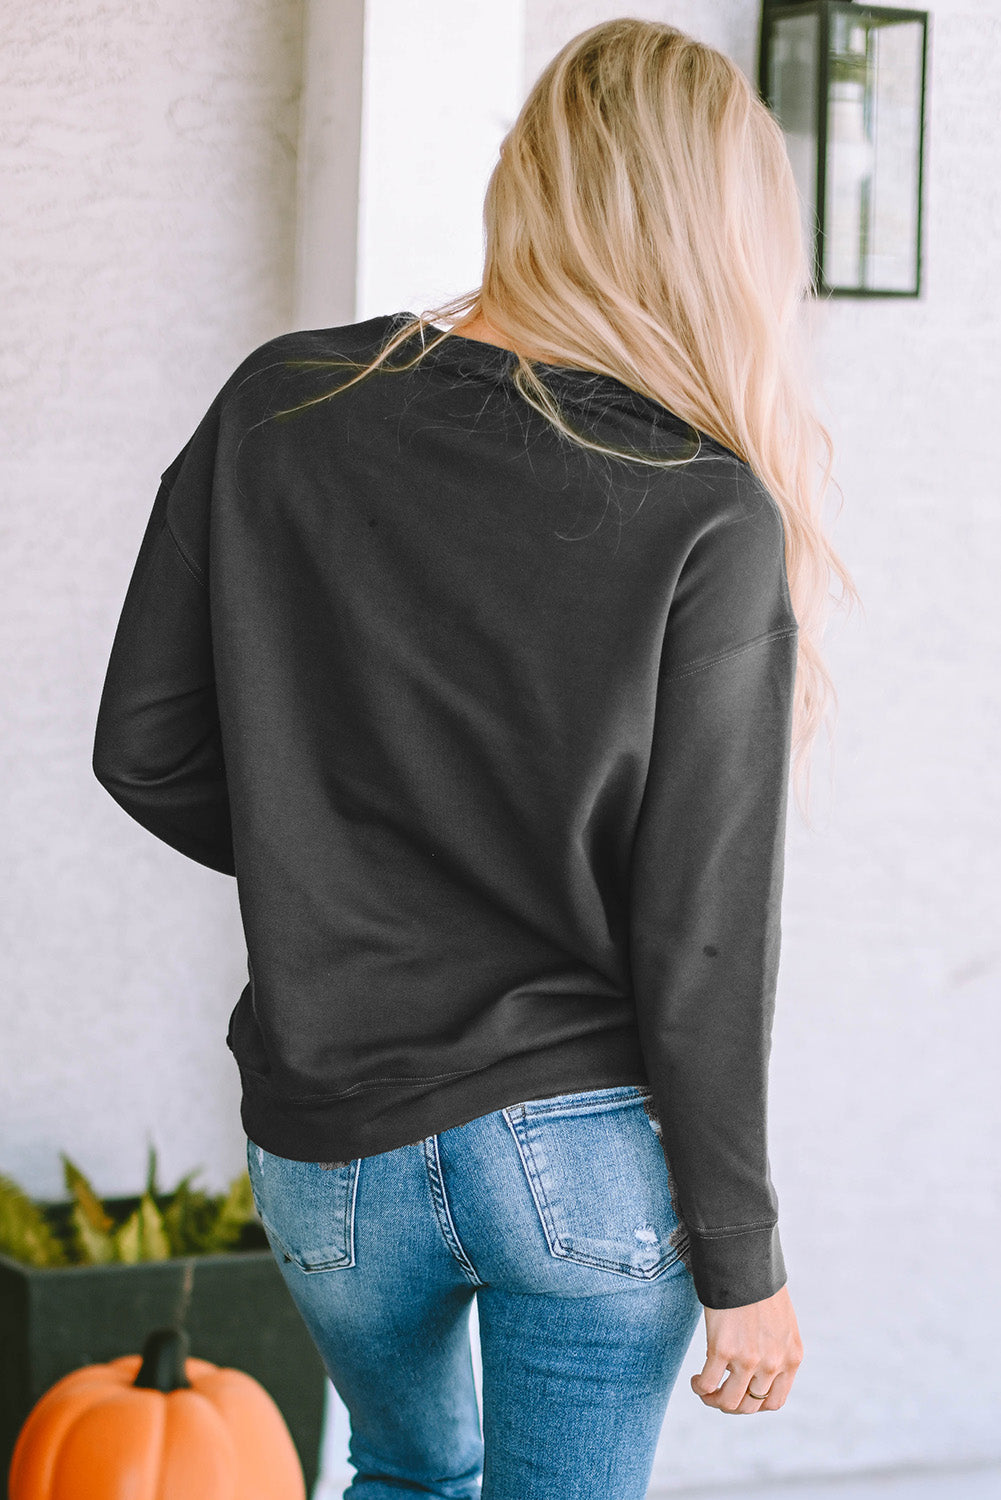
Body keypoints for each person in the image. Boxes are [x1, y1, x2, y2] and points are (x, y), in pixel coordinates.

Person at [92, 17, 857, 1500]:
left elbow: (146, 749)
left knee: (398, 1473)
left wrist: (343, 866)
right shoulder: (704, 513)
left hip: (329, 1152)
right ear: (723, 239)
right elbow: (699, 937)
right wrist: (741, 1261)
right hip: (575, 1155)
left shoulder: (281, 405)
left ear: (528, 179)